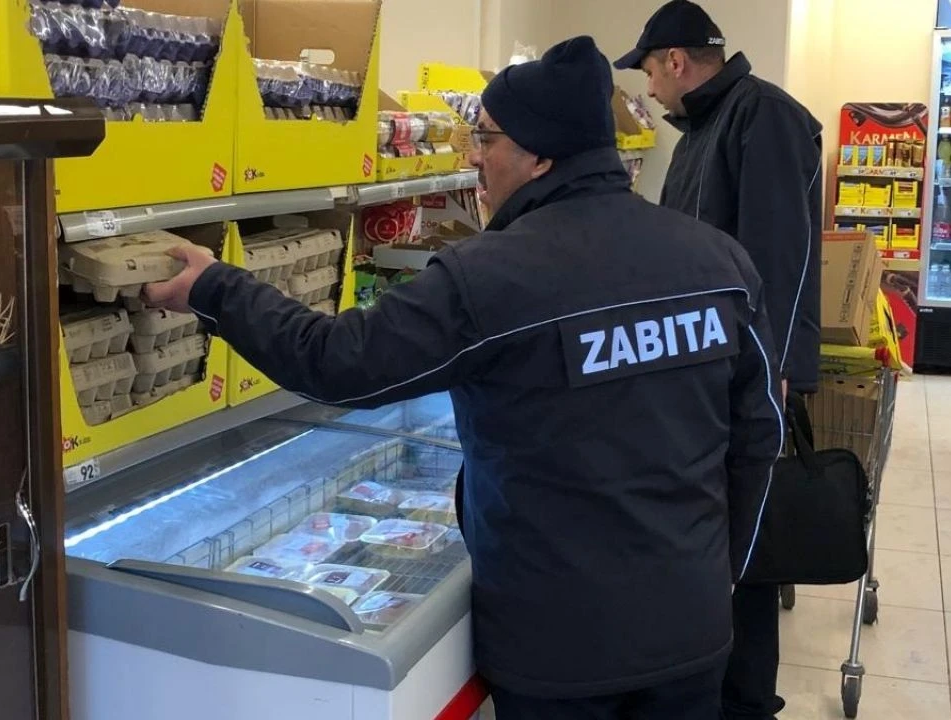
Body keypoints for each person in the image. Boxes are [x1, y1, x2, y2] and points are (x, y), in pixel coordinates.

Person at [146, 36, 783, 720]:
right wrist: (721, 571)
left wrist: (215, 288)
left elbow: (337, 363)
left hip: (560, 648)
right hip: (691, 629)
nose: (475, 157)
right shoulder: (719, 262)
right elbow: (760, 433)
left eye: (486, 137)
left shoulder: (493, 276)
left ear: (540, 156)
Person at [614, 2, 824, 719]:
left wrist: (774, 372)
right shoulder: (704, 128)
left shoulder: (764, 118)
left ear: (675, 61)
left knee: (747, 544)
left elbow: (778, 258)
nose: (647, 88)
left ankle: (747, 701)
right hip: (704, 375)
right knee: (711, 535)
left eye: (648, 70)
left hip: (745, 378)